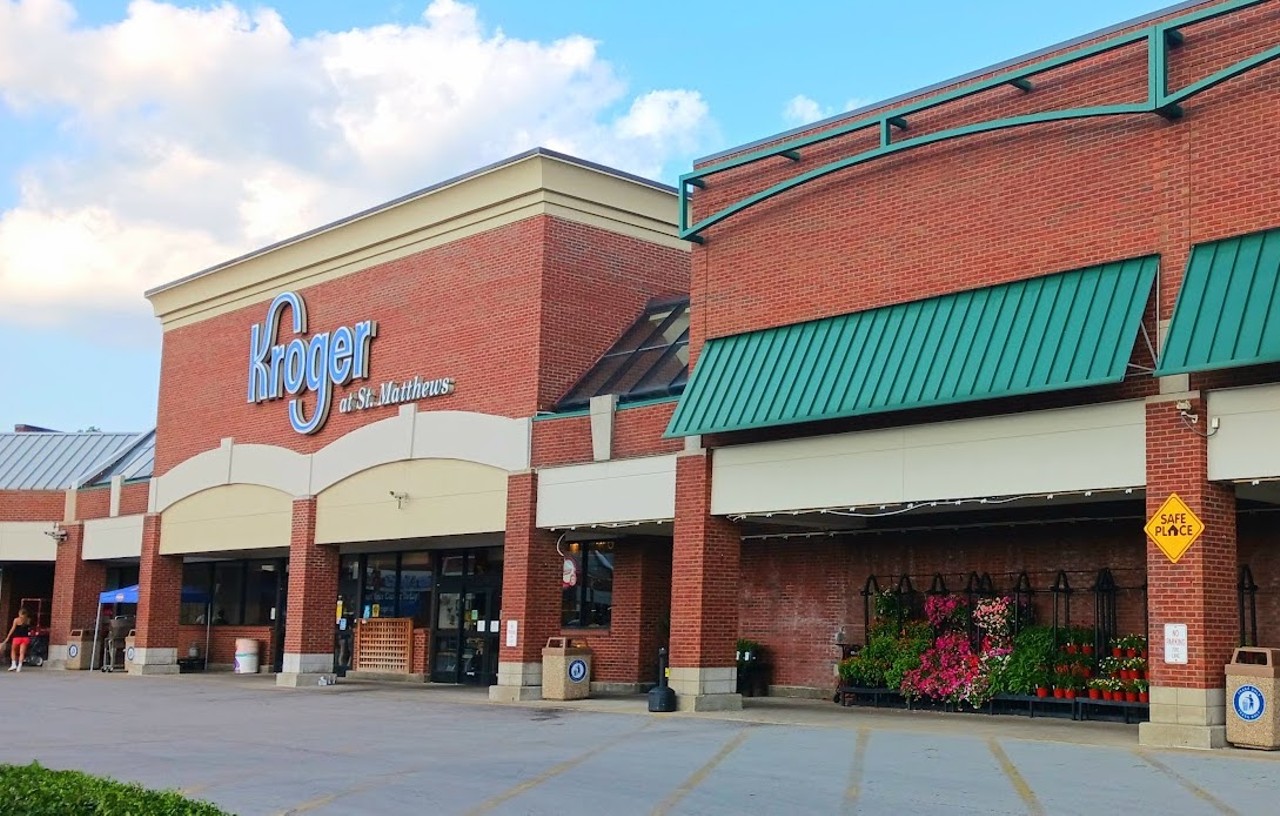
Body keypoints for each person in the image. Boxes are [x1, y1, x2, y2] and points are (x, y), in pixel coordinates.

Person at [3, 608, 33, 672]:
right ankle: (19, 666)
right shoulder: (28, 620)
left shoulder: (16, 620)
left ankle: (13, 664)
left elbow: (13, 629)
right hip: (25, 638)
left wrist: (8, 636)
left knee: (13, 651)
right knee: (22, 653)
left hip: (17, 637)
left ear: (19, 613)